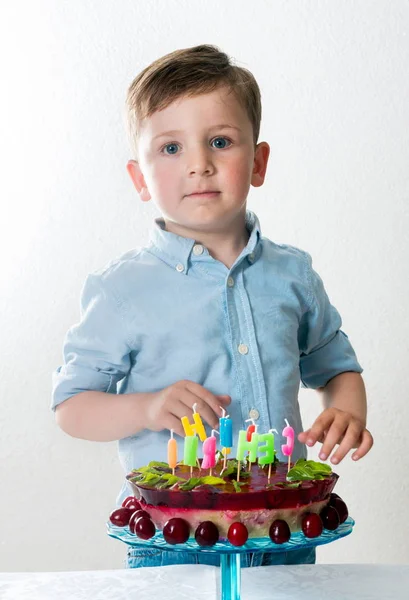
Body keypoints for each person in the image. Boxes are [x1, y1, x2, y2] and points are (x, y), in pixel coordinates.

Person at [52, 44, 373, 568]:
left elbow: (337, 367)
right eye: (171, 148)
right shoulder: (121, 289)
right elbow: (71, 408)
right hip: (173, 543)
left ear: (258, 162)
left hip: (283, 535)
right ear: (139, 178)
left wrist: (346, 409)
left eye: (220, 142)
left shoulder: (293, 275)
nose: (199, 165)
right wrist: (149, 407)